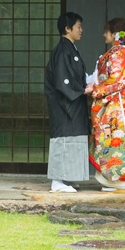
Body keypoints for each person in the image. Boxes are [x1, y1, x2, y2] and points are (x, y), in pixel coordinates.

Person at [88, 17, 125, 193]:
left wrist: (95, 88)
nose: (104, 34)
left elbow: (115, 80)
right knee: (112, 141)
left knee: (113, 141)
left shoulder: (118, 53)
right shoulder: (119, 53)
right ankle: (115, 180)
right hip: (115, 102)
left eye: (107, 31)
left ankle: (120, 180)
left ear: (115, 34)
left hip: (114, 104)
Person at [44, 12, 90, 193]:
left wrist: (84, 86)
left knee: (73, 138)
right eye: (78, 26)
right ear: (67, 28)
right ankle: (57, 181)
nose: (81, 30)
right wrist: (82, 90)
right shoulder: (63, 50)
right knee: (63, 138)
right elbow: (63, 80)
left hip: (72, 103)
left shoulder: (70, 49)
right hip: (63, 104)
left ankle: (66, 177)